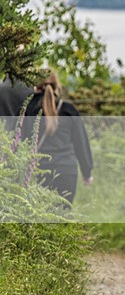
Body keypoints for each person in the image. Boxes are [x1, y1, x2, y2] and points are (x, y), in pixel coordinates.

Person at [23, 70, 93, 204]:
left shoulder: (28, 108)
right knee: (63, 217)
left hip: (38, 172)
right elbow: (81, 143)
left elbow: (20, 139)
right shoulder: (68, 109)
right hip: (66, 171)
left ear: (36, 86)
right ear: (57, 86)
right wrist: (87, 172)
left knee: (38, 219)